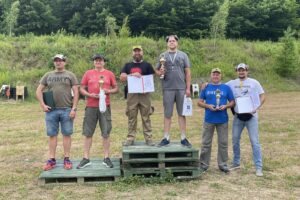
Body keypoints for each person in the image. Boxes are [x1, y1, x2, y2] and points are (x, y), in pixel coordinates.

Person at [36, 54, 79, 171]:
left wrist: (74, 108)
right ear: (54, 63)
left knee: (67, 134)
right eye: (56, 61)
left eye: (60, 60)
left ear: (65, 62)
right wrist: (43, 105)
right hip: (51, 111)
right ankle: (52, 160)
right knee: (52, 135)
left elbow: (76, 92)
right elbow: (39, 90)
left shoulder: (70, 75)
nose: (58, 62)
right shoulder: (48, 75)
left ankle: (67, 159)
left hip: (67, 110)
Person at [77, 54, 118, 169]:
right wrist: (90, 94)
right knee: (88, 132)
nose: (98, 62)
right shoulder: (88, 73)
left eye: (100, 60)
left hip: (105, 106)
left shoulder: (109, 74)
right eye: (96, 60)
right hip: (91, 106)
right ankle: (86, 158)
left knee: (106, 132)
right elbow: (81, 88)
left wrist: (108, 91)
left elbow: (116, 88)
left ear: (104, 62)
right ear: (94, 62)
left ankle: (106, 157)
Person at [227, 63, 266, 177]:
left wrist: (257, 107)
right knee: (235, 140)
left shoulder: (254, 82)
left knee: (255, 142)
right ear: (236, 72)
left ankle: (258, 167)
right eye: (239, 70)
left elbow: (263, 95)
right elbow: (220, 87)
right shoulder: (231, 83)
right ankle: (236, 163)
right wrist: (206, 84)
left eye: (243, 70)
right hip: (238, 117)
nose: (241, 72)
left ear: (247, 71)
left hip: (251, 117)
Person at [155, 35, 192, 147]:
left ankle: (183, 138)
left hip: (181, 88)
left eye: (173, 41)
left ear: (177, 42)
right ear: (167, 44)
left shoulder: (183, 55)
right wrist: (160, 73)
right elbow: (156, 71)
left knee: (182, 113)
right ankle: (166, 137)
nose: (171, 42)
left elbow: (188, 72)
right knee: (167, 114)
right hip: (168, 88)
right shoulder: (163, 55)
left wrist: (188, 88)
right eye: (169, 41)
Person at [198, 68, 235, 173]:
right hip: (209, 119)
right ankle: (204, 165)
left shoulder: (226, 88)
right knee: (206, 143)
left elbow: (232, 102)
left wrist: (226, 106)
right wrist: (208, 105)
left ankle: (223, 164)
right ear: (211, 76)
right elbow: (199, 102)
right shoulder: (206, 87)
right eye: (214, 74)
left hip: (222, 120)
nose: (215, 76)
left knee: (223, 143)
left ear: (220, 76)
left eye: (217, 74)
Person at [120, 45, 155, 146]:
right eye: (135, 51)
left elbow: (151, 78)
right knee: (132, 116)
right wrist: (131, 75)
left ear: (142, 52)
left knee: (146, 116)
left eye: (139, 51)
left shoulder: (147, 65)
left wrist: (143, 80)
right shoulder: (127, 65)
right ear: (132, 53)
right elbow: (122, 78)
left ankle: (149, 138)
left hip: (145, 94)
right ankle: (130, 138)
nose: (137, 53)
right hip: (132, 95)